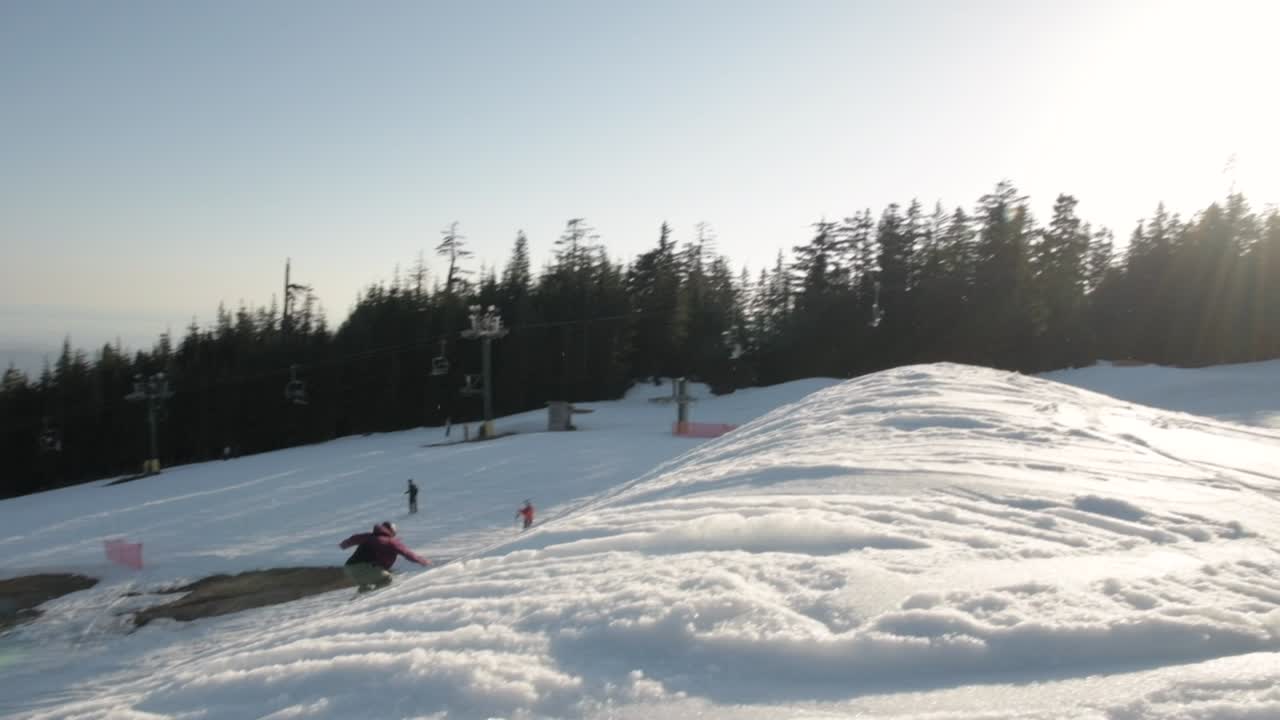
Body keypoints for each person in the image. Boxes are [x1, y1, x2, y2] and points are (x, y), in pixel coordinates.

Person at [338, 521, 430, 593]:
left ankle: (355, 603)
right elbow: (407, 553)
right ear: (392, 531)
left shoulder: (369, 536)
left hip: (349, 568)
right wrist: (422, 561)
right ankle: (373, 599)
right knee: (386, 579)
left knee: (366, 587)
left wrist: (344, 544)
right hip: (364, 568)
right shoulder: (391, 541)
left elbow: (354, 538)